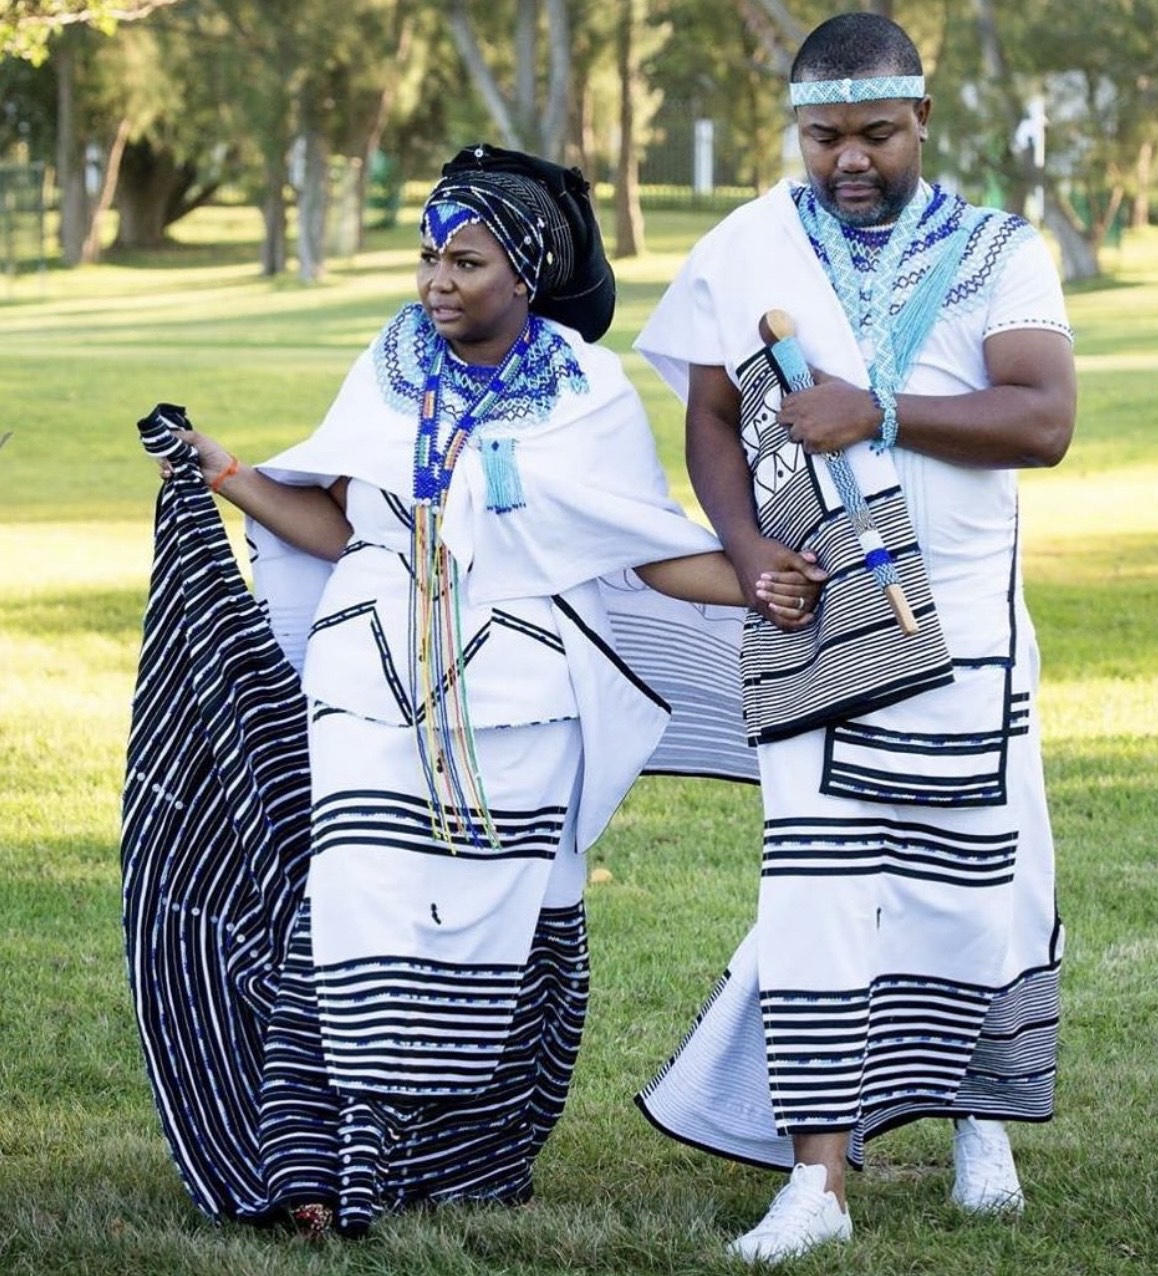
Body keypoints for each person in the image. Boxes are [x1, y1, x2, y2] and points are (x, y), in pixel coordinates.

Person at [124, 144, 824, 1239]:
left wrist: (760, 579)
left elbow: (644, 553)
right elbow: (340, 526)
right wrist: (225, 472)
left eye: (465, 262)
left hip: (522, 709)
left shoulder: (586, 393)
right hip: (370, 686)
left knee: (497, 928)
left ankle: (465, 1158)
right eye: (427, 259)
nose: (436, 283)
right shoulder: (389, 362)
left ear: (525, 274)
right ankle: (321, 1164)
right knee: (352, 913)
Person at [633, 12, 1076, 1264]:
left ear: (921, 119)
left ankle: (978, 1121)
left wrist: (874, 408)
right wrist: (743, 551)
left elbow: (1042, 419)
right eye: (822, 135)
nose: (848, 160)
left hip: (965, 626)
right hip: (817, 618)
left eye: (875, 133)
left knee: (977, 889)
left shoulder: (996, 250)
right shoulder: (744, 247)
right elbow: (709, 416)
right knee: (815, 893)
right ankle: (816, 1182)